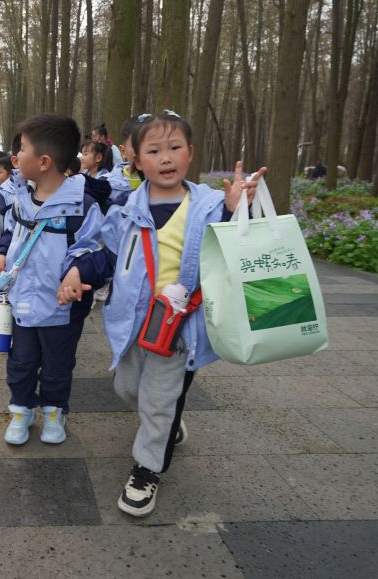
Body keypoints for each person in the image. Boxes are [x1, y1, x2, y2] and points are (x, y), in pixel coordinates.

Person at [101, 112, 265, 517]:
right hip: (134, 321)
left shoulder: (208, 204)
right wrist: (77, 273)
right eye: (154, 151)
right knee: (128, 389)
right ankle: (167, 423)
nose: (166, 158)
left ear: (190, 153)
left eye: (175, 148)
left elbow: (235, 246)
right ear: (137, 160)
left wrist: (235, 211)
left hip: (180, 323)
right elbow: (105, 253)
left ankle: (146, 469)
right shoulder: (125, 209)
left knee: (158, 401)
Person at [0, 114, 107, 446]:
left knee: (58, 366)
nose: (15, 156)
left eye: (22, 149)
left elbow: (97, 250)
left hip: (62, 310)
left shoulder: (81, 206)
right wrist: (1, 252)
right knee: (21, 363)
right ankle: (21, 410)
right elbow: (13, 232)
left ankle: (54, 412)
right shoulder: (20, 196)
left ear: (44, 162)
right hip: (23, 304)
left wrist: (79, 272)